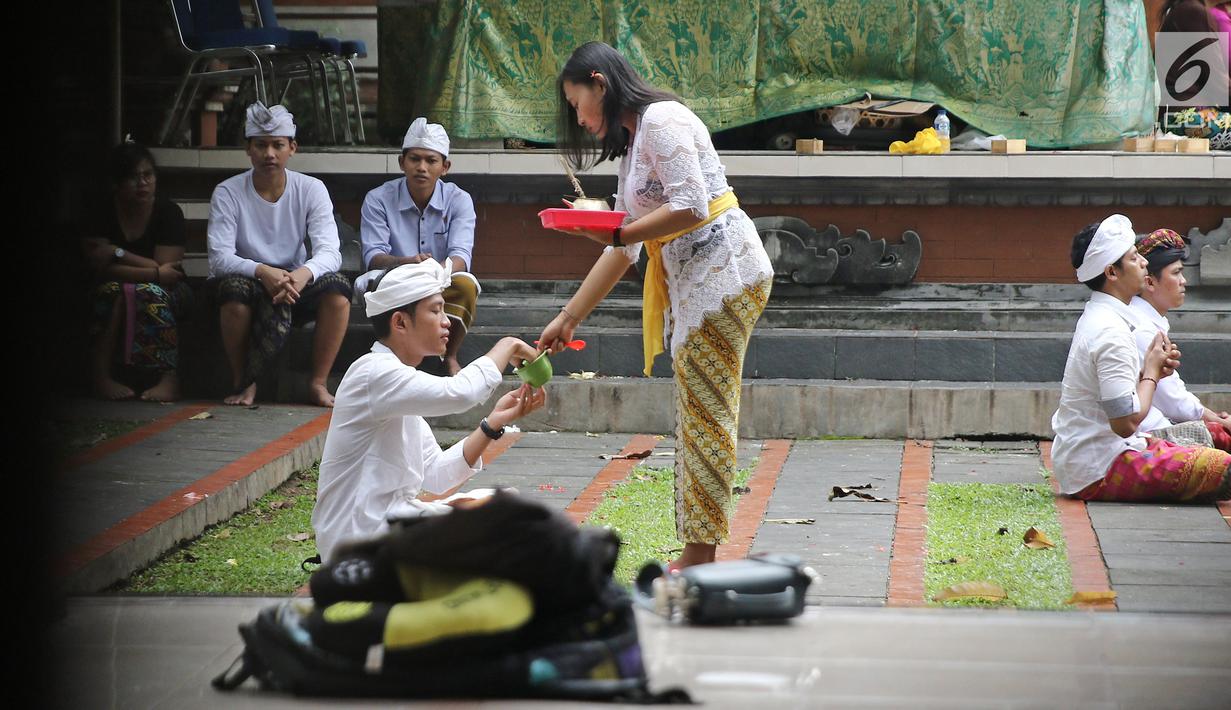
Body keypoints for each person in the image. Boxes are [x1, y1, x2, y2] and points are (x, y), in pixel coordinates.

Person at [538, 42, 774, 569]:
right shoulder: (635, 143)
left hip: (725, 277)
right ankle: (698, 552)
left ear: (600, 82)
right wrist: (567, 318)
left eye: (578, 103)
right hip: (699, 287)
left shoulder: (663, 118)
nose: (578, 117)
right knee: (697, 417)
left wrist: (614, 227)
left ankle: (699, 557)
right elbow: (624, 248)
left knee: (706, 418)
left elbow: (689, 203)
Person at [312, 259, 544, 562]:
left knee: (504, 505)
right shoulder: (374, 372)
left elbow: (436, 475)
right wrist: (509, 346)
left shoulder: (396, 380)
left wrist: (492, 424)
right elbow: (461, 392)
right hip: (358, 537)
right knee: (501, 522)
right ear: (400, 322)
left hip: (389, 524)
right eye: (435, 310)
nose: (446, 320)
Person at [1050, 215, 1230, 502]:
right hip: (1101, 466)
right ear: (1112, 272)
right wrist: (1151, 372)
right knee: (1222, 468)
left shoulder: (1108, 318)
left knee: (1217, 444)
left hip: (1109, 452)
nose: (1144, 262)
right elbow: (1125, 423)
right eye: (1134, 258)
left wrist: (1154, 372)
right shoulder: (1110, 332)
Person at [206, 102, 352, 407]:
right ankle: (243, 381)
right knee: (233, 292)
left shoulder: (311, 189)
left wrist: (301, 275)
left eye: (277, 145)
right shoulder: (228, 192)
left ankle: (318, 383)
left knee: (338, 290)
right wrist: (262, 271)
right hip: (248, 280)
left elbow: (329, 251)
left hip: (294, 282)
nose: (269, 153)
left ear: (292, 148)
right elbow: (220, 258)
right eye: (261, 145)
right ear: (248, 149)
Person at [358, 117, 479, 375]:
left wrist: (434, 273)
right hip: (394, 279)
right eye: (414, 159)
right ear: (402, 163)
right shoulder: (378, 199)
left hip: (440, 279)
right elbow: (373, 256)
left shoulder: (459, 200)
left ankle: (450, 356)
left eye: (431, 160)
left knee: (466, 284)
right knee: (372, 284)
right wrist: (408, 263)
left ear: (445, 167)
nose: (421, 167)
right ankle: (397, 360)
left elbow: (461, 256)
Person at [81, 141, 191, 402]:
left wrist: (118, 254)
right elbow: (98, 266)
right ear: (116, 183)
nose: (142, 183)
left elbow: (168, 271)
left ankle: (168, 379)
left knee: (149, 293)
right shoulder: (101, 211)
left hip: (172, 290)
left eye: (148, 175)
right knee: (113, 292)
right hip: (119, 285)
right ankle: (101, 377)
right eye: (133, 177)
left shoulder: (167, 212)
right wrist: (152, 271)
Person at [1130, 228, 1231, 451]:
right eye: (1176, 273)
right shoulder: (1144, 331)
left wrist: (1214, 418)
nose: (1183, 281)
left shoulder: (1149, 322)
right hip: (1144, 438)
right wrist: (1220, 421)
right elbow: (1173, 401)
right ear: (1149, 282)